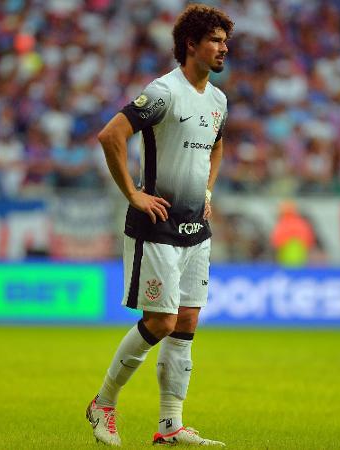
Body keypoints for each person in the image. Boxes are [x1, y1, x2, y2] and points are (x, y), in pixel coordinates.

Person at [86, 4, 233, 447]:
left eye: (226, 41)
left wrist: (207, 193)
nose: (224, 48)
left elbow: (217, 146)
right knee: (162, 321)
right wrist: (133, 193)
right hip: (157, 225)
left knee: (186, 320)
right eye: (215, 40)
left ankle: (171, 424)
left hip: (195, 228)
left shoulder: (218, 99)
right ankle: (104, 403)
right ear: (191, 45)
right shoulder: (164, 92)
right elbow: (111, 135)